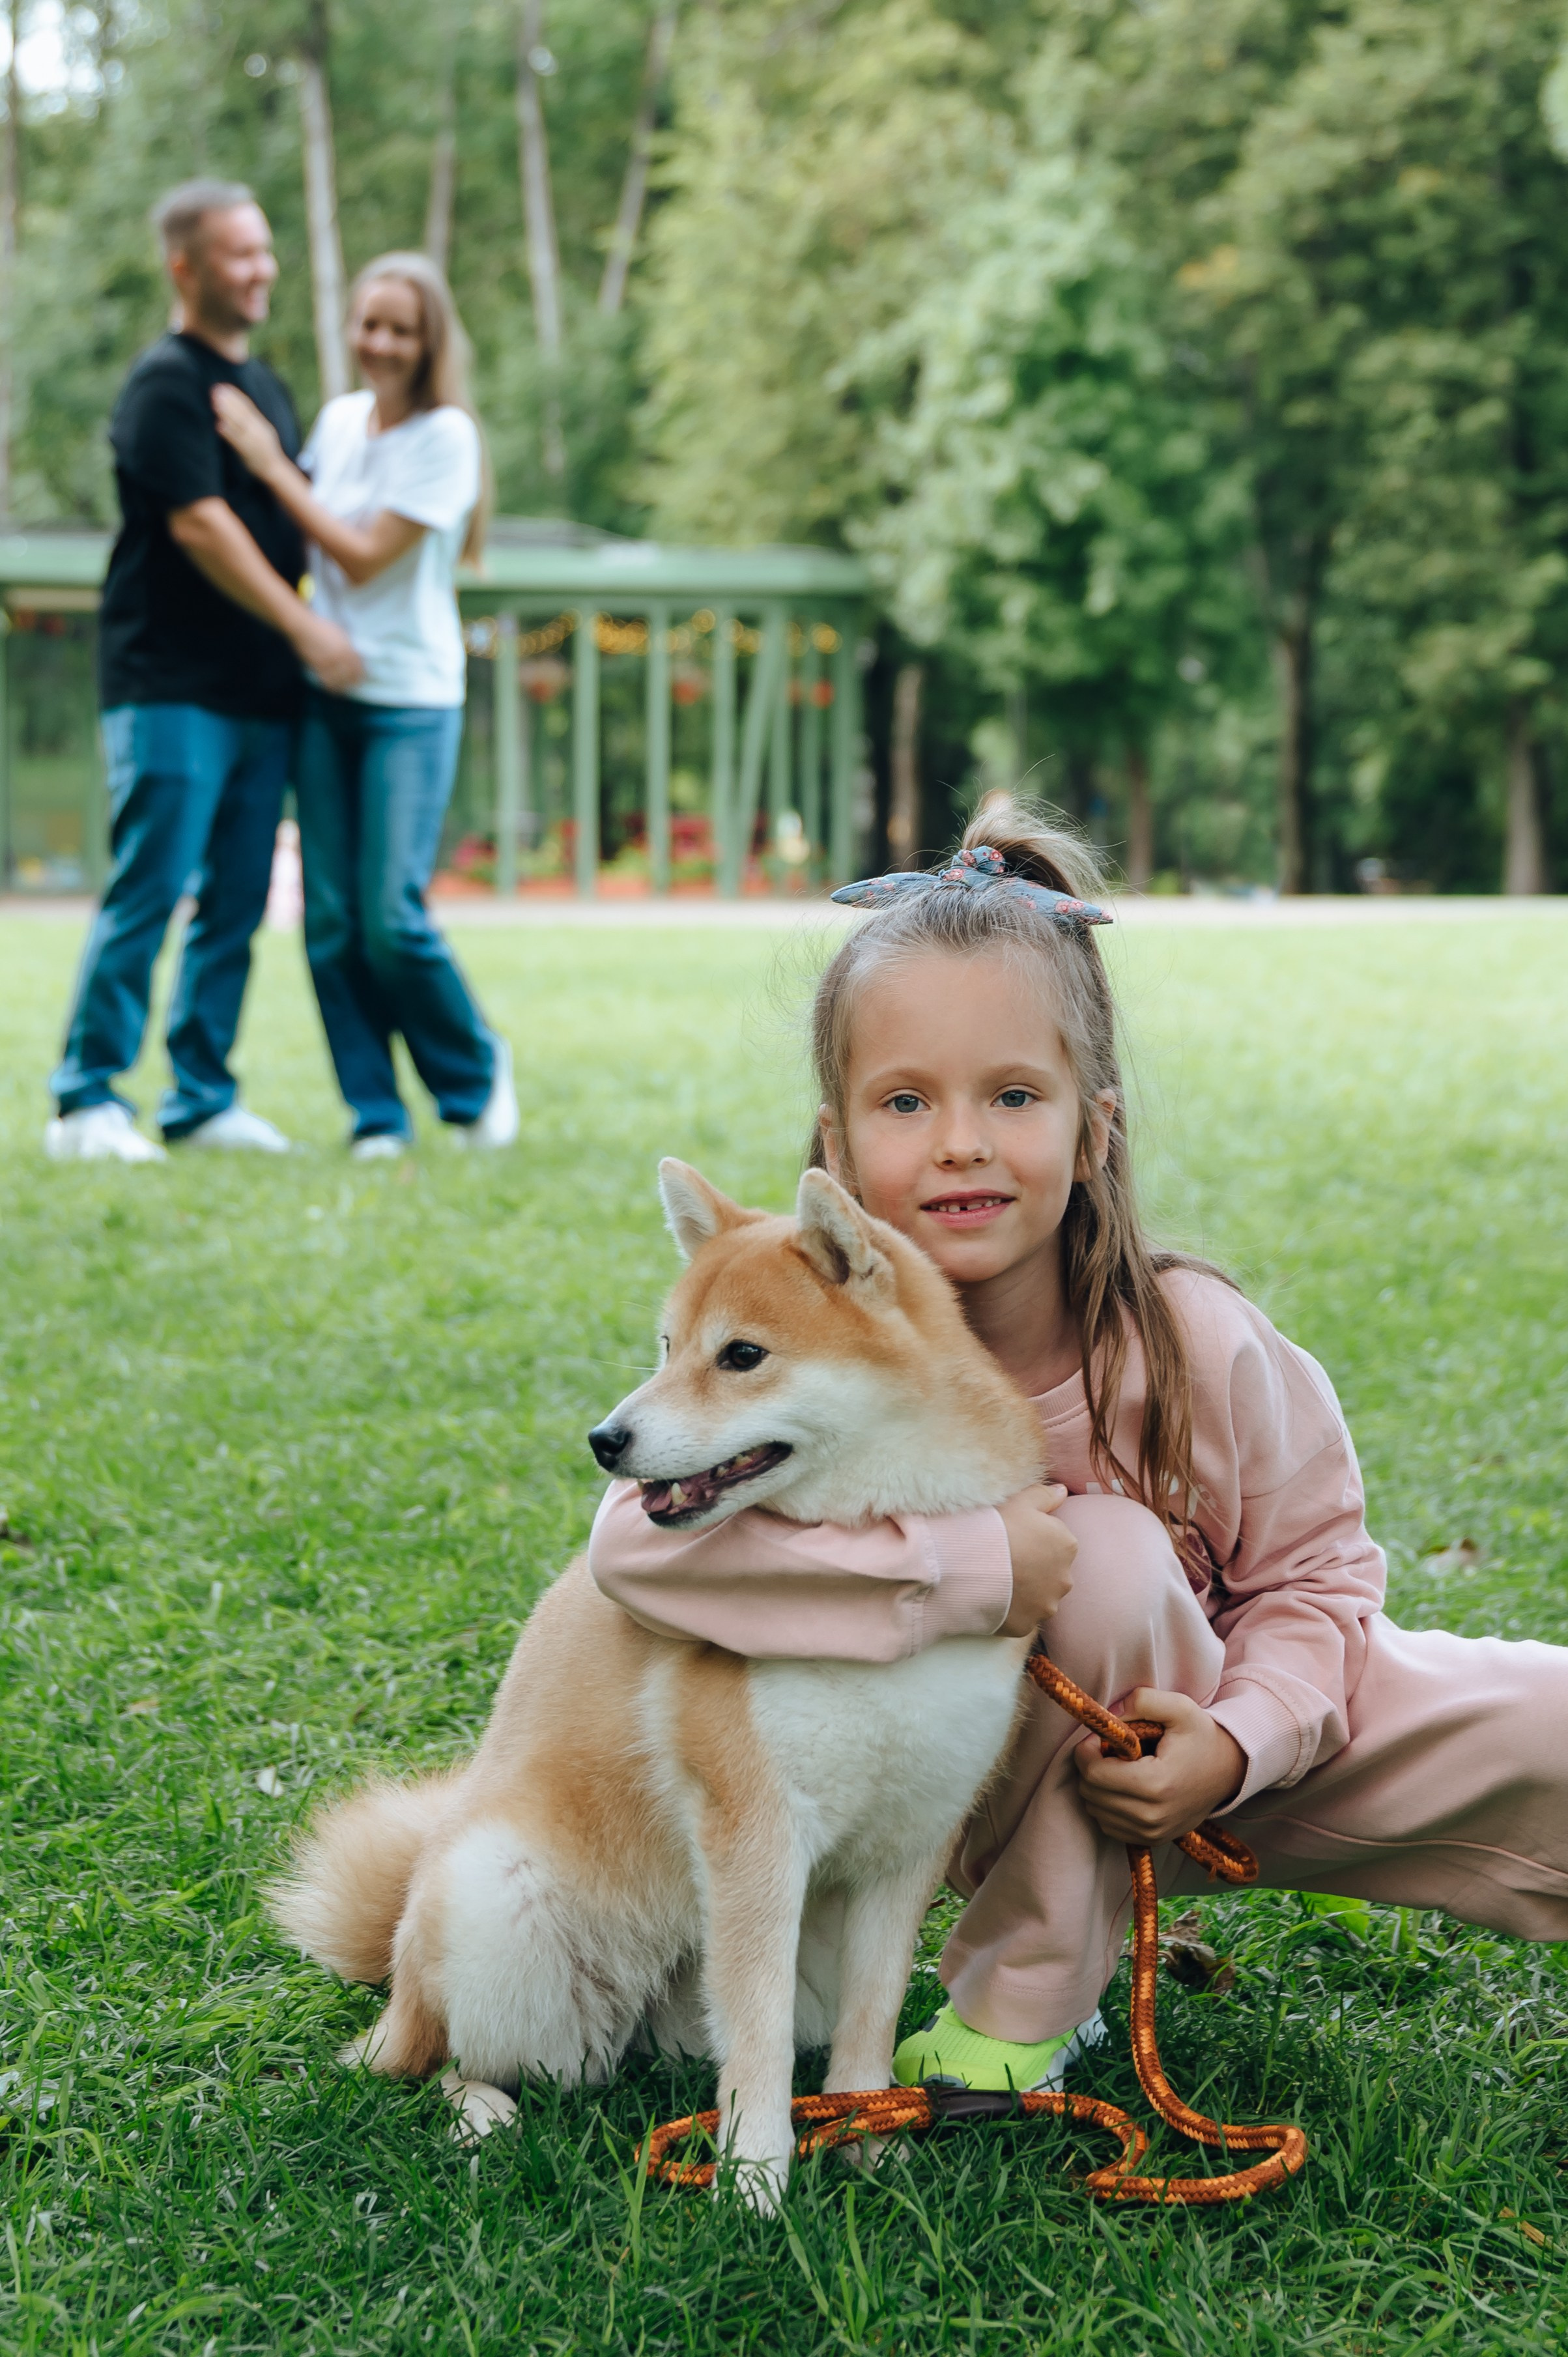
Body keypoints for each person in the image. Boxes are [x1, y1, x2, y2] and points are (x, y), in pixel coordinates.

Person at [586, 801, 1568, 2094]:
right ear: (835, 1148)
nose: (958, 1142)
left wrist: (1237, 1738)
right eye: (902, 1100)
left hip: (1228, 1736)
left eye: (1011, 1095)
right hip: (964, 1773)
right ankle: (1022, 2007)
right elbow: (635, 1546)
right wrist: (982, 1567)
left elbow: (1320, 1579)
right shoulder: (804, 1364)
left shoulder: (1195, 1340)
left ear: (1091, 1126)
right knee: (1096, 1557)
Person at [46, 179, 362, 1163]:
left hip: (257, 699)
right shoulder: (163, 385)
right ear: (185, 265)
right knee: (150, 890)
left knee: (232, 904)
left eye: (266, 250)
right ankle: (85, 1099)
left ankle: (200, 1096)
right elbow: (201, 525)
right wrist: (308, 630)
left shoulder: (264, 387)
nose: (261, 269)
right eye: (240, 253)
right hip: (167, 687)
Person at [210, 252, 517, 1158]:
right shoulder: (343, 423)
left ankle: (472, 1071)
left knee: (390, 915)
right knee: (331, 920)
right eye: (368, 323)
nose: (378, 342)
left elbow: (356, 555)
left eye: (399, 328)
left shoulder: (445, 437)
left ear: (428, 342)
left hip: (409, 702)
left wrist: (270, 463)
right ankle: (375, 1111)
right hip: (324, 698)